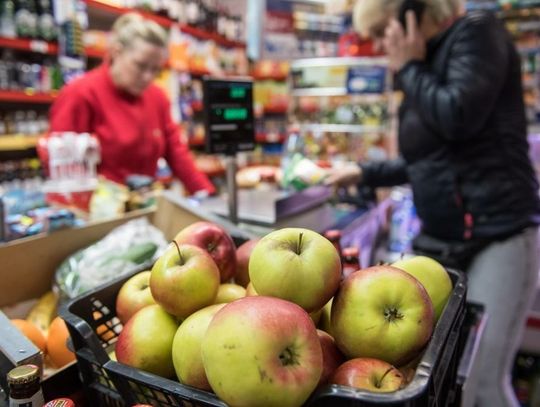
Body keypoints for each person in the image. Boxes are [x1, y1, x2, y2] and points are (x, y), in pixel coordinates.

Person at [326, 1, 540, 406]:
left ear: (409, 15)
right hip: (443, 236)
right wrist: (366, 173)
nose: (377, 46)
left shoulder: (478, 33)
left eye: (379, 32)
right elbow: (428, 158)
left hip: (499, 233)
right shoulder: (426, 60)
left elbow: (458, 115)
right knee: (446, 382)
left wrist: (409, 68)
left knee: (483, 382)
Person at [48, 13, 215, 196]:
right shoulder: (80, 94)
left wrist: (206, 194)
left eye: (155, 70)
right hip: (98, 214)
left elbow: (177, 153)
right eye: (141, 66)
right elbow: (61, 167)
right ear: (117, 52)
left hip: (144, 207)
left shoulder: (157, 97)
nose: (148, 77)